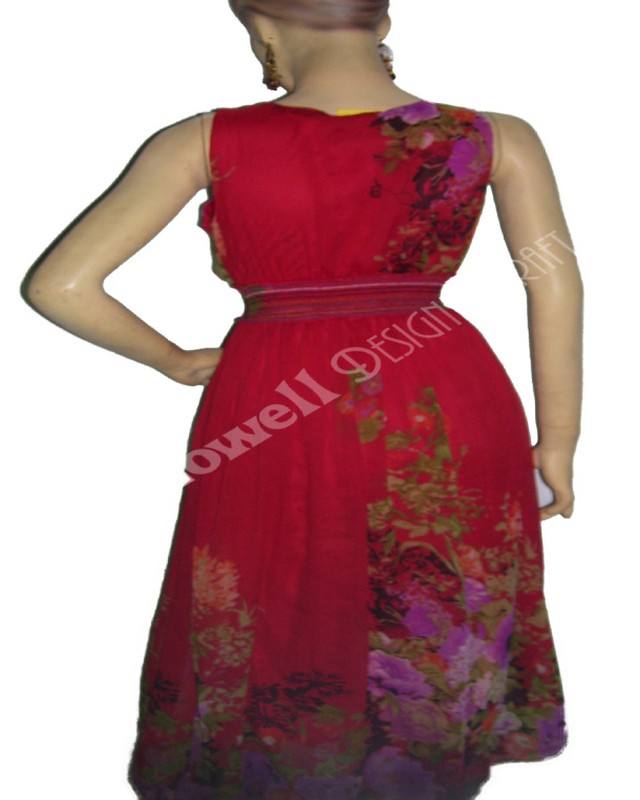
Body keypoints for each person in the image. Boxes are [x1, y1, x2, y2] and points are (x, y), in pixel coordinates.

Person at [22, 0, 583, 797]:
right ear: (381, 25)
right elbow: (554, 279)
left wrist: (177, 362)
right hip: (437, 390)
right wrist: (559, 439)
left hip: (273, 395)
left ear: (262, 28)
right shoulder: (496, 136)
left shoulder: (203, 140)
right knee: (433, 601)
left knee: (272, 593)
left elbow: (60, 287)